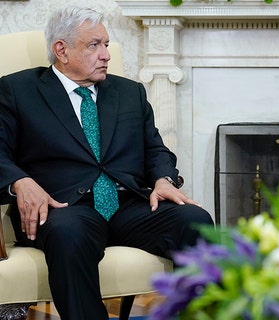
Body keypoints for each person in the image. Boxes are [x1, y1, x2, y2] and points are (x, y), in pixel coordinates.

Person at [0, 6, 214, 319]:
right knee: (68, 234)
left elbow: (156, 150)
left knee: (195, 220)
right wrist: (20, 181)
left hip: (129, 206)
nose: (106, 55)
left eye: (106, 45)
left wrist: (163, 180)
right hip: (64, 208)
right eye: (94, 45)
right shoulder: (18, 90)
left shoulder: (130, 93)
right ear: (62, 49)